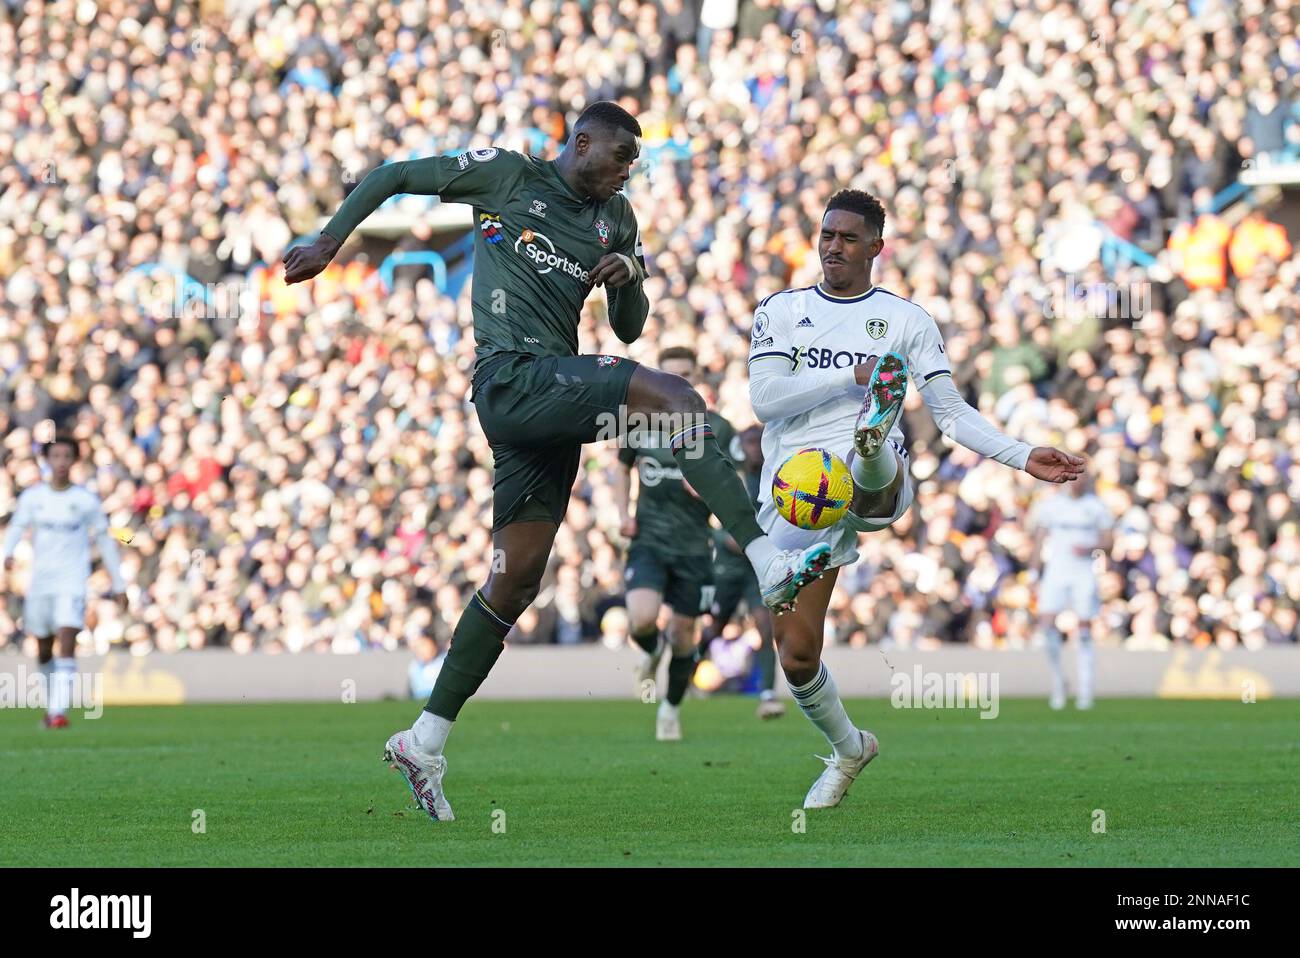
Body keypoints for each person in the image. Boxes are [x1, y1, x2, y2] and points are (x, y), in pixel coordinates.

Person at [283, 101, 831, 822]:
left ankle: (424, 740)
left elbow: (632, 325)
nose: (625, 173)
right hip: (512, 378)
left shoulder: (618, 218)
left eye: (633, 165)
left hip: (552, 405)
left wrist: (627, 276)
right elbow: (392, 175)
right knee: (676, 397)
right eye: (620, 159)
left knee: (515, 582)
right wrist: (331, 241)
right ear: (582, 144)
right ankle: (764, 558)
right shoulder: (508, 177)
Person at [748, 190, 1087, 809]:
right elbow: (765, 400)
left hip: (870, 478)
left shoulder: (907, 320)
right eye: (827, 235)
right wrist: (850, 377)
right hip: (797, 491)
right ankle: (850, 748)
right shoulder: (781, 309)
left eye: (849, 239)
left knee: (868, 475)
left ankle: (874, 439)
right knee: (796, 656)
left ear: (877, 247)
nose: (833, 247)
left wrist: (1020, 453)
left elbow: (950, 414)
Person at [615, 345, 741, 742]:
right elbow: (621, 468)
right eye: (669, 374)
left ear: (697, 375)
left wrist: (708, 489)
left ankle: (669, 709)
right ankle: (651, 652)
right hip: (649, 538)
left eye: (685, 374)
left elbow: (736, 486)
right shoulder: (638, 422)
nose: (677, 382)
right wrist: (623, 514)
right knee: (641, 618)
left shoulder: (718, 429)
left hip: (694, 546)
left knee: (685, 635)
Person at [1, 437, 128, 728]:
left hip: (72, 580)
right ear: (47, 460)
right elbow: (18, 525)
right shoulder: (34, 498)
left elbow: (106, 542)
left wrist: (119, 583)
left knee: (68, 640)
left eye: (66, 456)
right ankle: (51, 707)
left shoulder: (85, 501)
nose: (61, 461)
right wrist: (7, 553)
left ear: (74, 461)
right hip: (41, 582)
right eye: (55, 456)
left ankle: (58, 712)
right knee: (44, 647)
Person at [700, 424, 785, 719]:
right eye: (748, 443)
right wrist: (726, 539)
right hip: (728, 565)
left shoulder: (778, 477)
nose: (753, 449)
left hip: (757, 566)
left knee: (765, 625)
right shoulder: (731, 476)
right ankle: (685, 673)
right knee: (715, 627)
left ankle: (768, 693)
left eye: (757, 443)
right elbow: (709, 519)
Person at [1028, 477, 1115, 710]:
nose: (1078, 483)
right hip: (1056, 572)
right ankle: (1058, 682)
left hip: (1084, 572)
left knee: (1084, 630)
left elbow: (1108, 541)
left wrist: (1091, 548)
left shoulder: (1096, 506)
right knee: (1046, 626)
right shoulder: (1052, 505)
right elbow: (1039, 540)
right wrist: (1033, 573)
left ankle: (1086, 691)